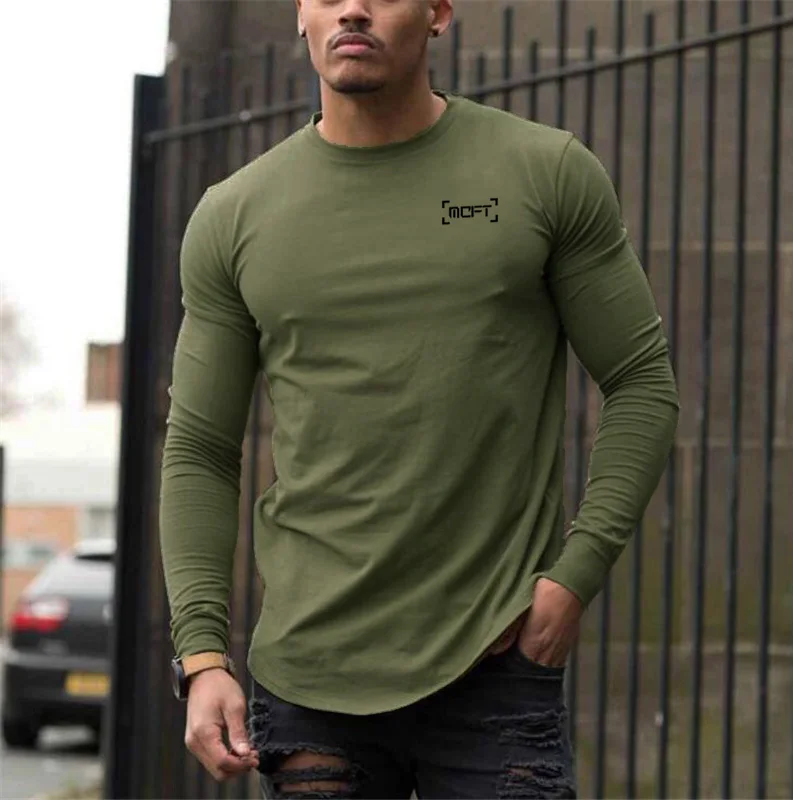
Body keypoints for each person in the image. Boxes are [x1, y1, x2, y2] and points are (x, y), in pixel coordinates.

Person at [159, 0, 680, 797]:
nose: (352, 8)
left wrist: (574, 578)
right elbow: (200, 446)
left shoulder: (543, 172)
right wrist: (201, 657)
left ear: (438, 11)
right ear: (301, 15)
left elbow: (642, 381)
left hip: (495, 663)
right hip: (310, 677)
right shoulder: (234, 215)